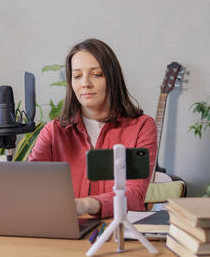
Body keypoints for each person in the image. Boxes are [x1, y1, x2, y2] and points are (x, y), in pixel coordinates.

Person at [29, 38, 157, 218]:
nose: (85, 83)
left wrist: (87, 204)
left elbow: (135, 194)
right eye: (77, 76)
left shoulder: (142, 126)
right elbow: (30, 183)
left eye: (96, 74)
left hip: (119, 233)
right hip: (66, 234)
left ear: (112, 78)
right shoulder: (54, 131)